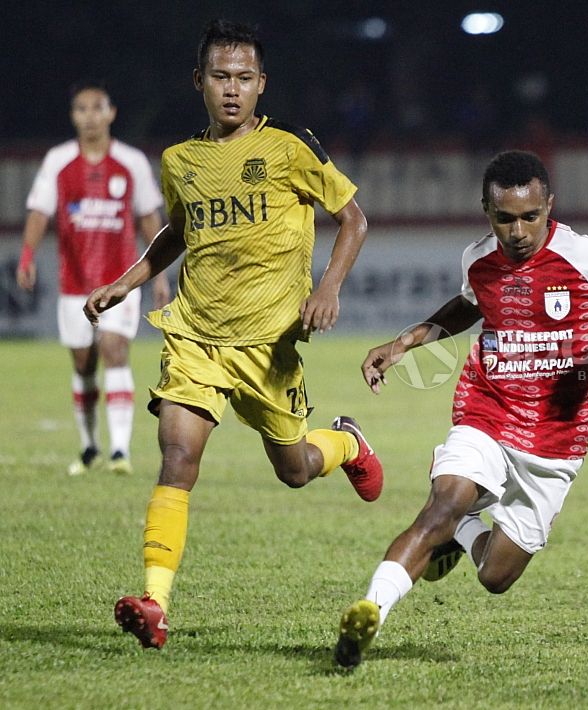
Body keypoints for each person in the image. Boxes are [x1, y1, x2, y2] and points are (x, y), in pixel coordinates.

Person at [84, 19, 383, 650]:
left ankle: (347, 445)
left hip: (269, 346)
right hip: (196, 335)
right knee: (178, 455)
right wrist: (130, 279)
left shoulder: (289, 148)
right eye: (220, 76)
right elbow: (177, 231)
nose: (232, 89)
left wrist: (327, 289)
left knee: (296, 469)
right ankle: (155, 603)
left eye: (244, 78)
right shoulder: (181, 161)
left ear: (261, 84)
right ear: (199, 82)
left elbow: (352, 217)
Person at [332, 150, 588, 668]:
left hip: (558, 436)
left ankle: (466, 531)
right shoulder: (478, 258)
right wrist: (406, 341)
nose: (517, 230)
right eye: (504, 218)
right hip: (488, 408)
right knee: (440, 507)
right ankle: (369, 612)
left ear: (549, 207)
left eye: (529, 216)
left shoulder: (583, 254)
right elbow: (469, 304)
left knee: (496, 576)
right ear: (486, 211)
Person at [17, 82, 170, 476]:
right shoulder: (58, 161)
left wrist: (158, 274)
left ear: (111, 113)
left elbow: (150, 218)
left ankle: (120, 451)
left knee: (115, 350)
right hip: (74, 284)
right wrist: (28, 254)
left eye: (96, 108)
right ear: (73, 116)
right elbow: (38, 212)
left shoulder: (131, 162)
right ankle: (89, 447)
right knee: (84, 365)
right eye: (81, 109)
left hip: (120, 283)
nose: (89, 116)